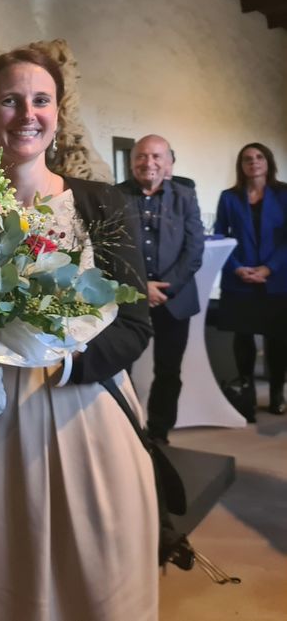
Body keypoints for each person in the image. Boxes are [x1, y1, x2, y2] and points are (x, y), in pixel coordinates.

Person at [0, 48, 157, 621]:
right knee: (6, 577)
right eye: (9, 101)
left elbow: (136, 323)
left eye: (41, 100)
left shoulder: (99, 202)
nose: (26, 114)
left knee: (98, 576)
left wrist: (59, 360)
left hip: (84, 409)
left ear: (58, 114)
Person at [116, 134, 205, 442]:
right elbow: (108, 250)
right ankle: (125, 428)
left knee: (169, 370)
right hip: (127, 298)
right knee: (119, 366)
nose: (148, 163)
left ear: (169, 162)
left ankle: (158, 432)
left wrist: (164, 288)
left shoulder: (185, 196)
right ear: (131, 161)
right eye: (141, 156)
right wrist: (141, 287)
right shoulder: (113, 196)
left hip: (174, 298)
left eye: (156, 157)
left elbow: (194, 249)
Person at [213, 142, 287, 416]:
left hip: (278, 279)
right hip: (239, 278)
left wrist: (269, 268)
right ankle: (248, 393)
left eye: (259, 157)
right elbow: (220, 236)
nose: (253, 162)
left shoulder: (284, 194)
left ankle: (277, 391)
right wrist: (236, 267)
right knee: (242, 337)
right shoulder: (229, 197)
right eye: (247, 158)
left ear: (268, 162)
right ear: (241, 165)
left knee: (277, 338)